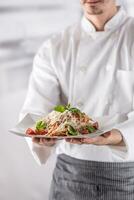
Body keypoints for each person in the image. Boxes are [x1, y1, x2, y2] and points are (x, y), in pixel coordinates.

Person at [19, 0, 134, 199]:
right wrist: (41, 134)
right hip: (68, 176)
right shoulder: (55, 47)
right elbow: (36, 110)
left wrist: (119, 136)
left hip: (125, 176)